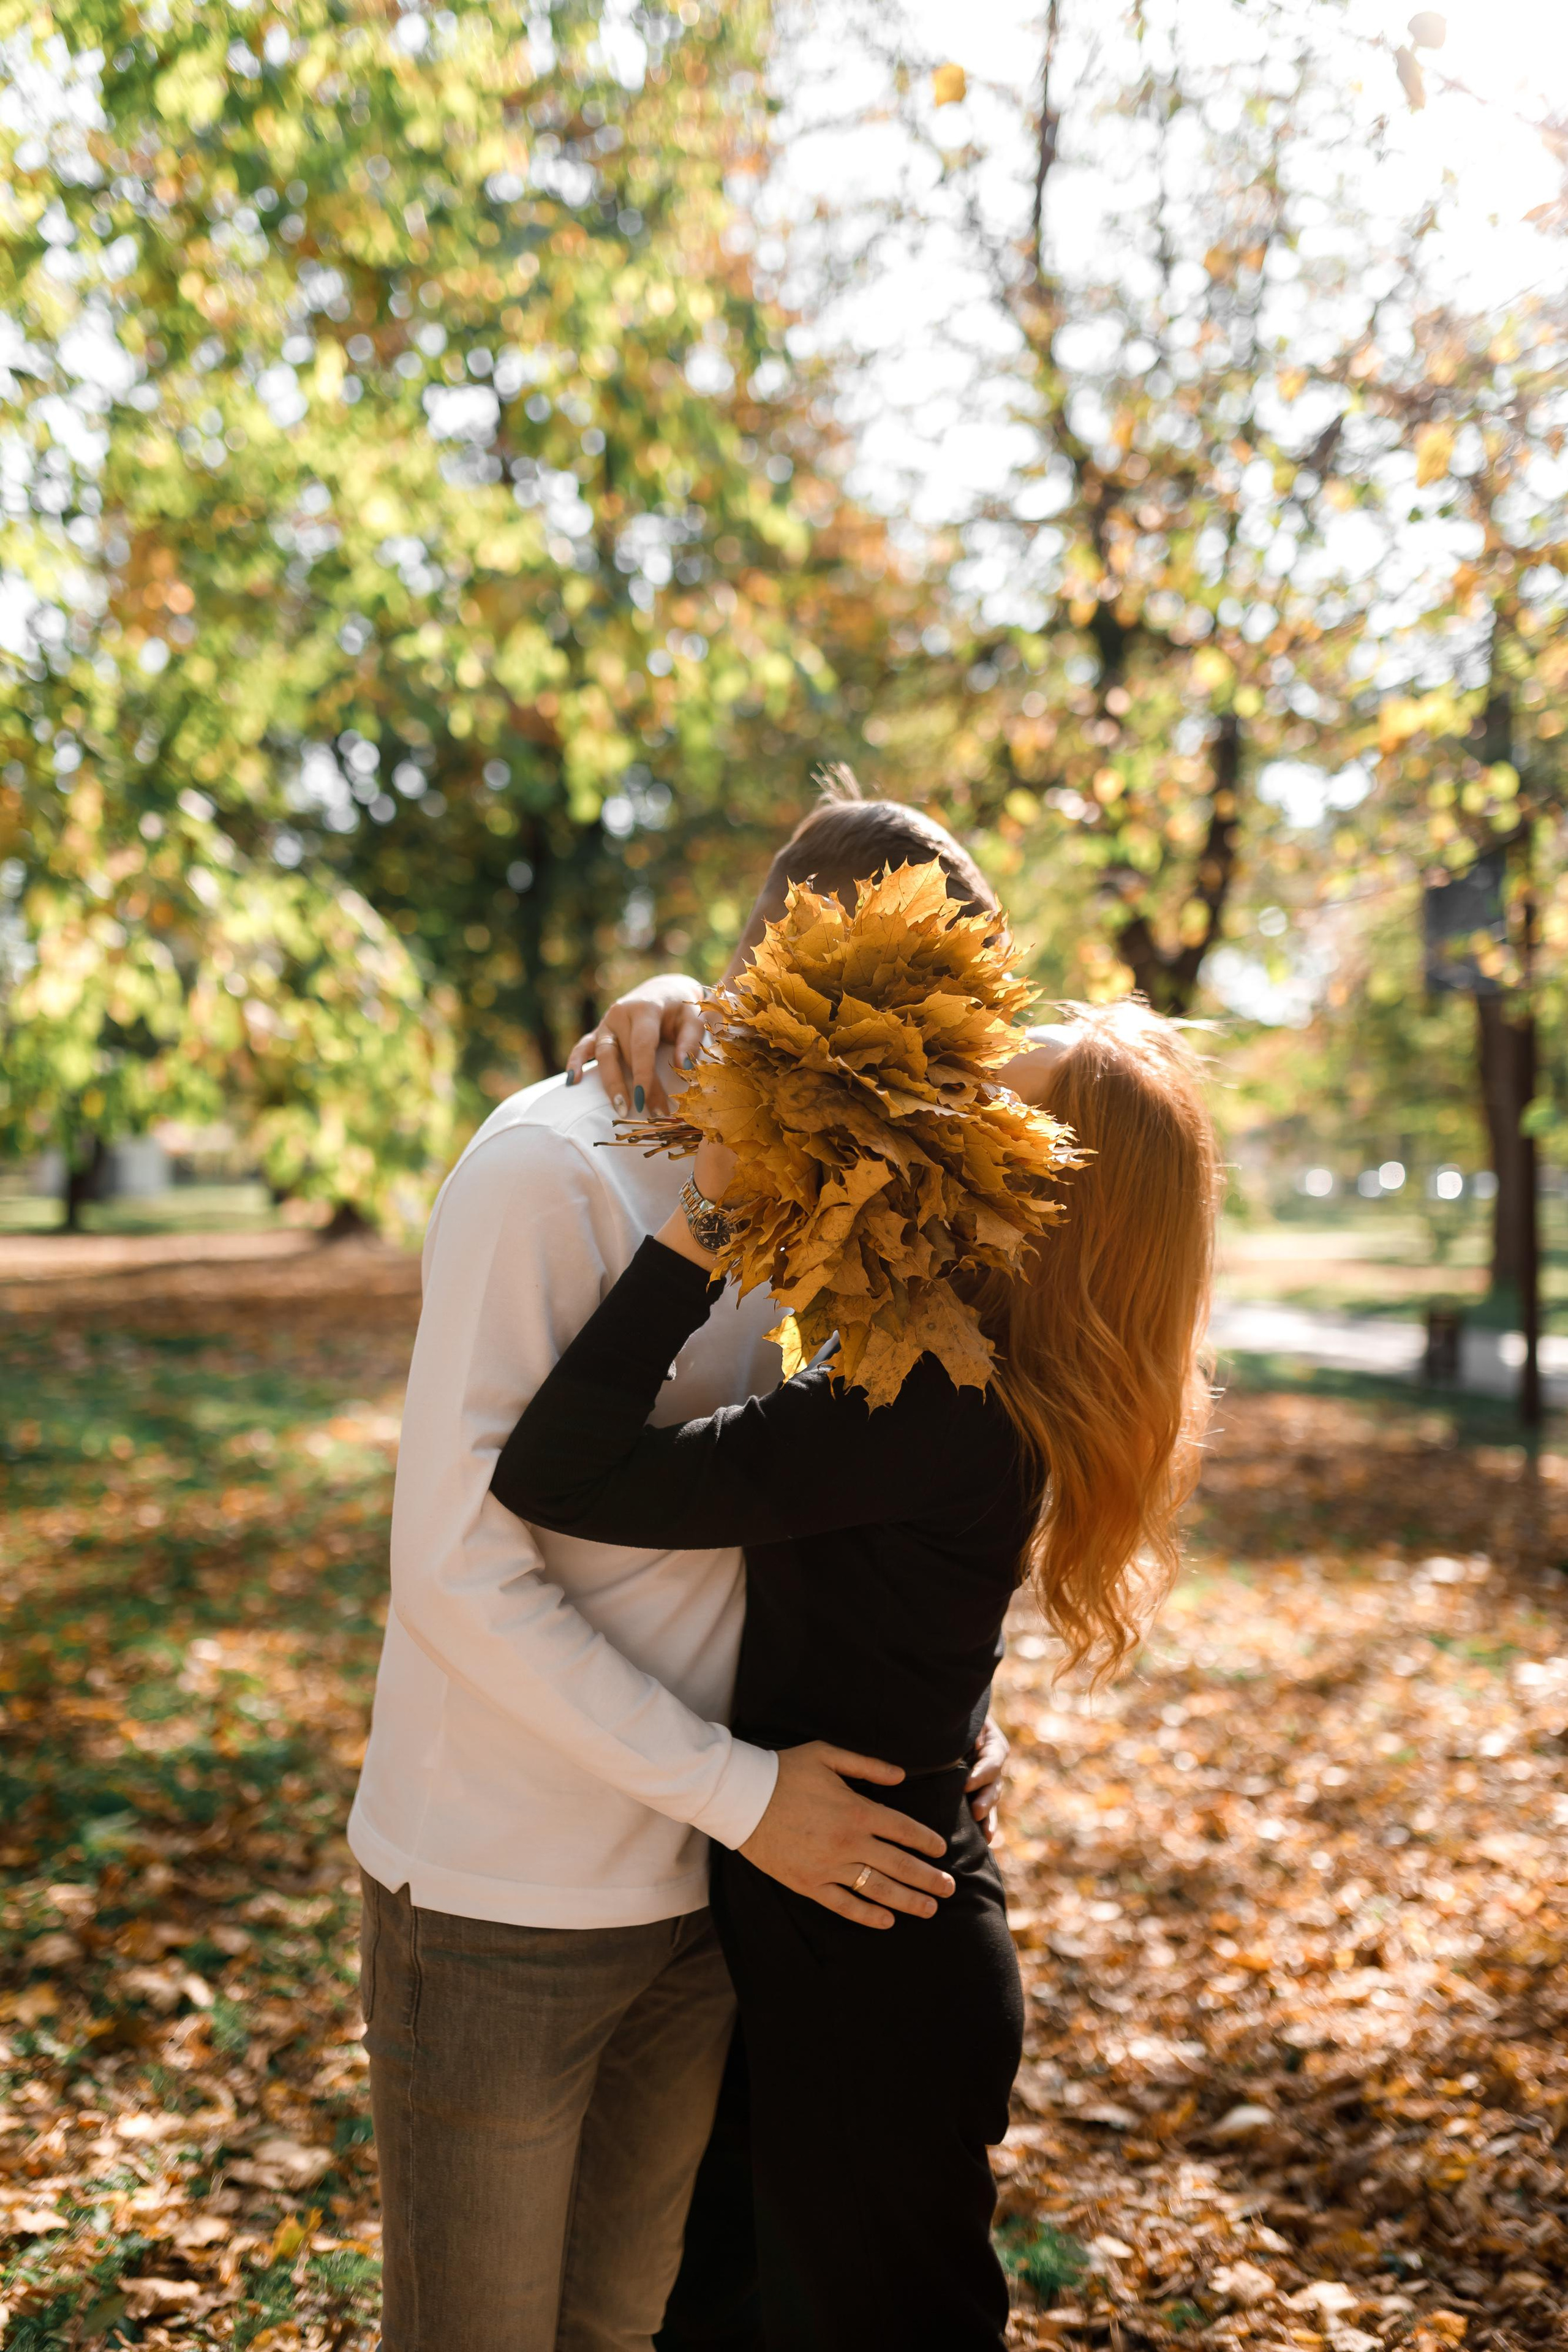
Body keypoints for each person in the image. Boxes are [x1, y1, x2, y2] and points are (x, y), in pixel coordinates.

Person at [348, 783, 1011, 2352]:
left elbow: (836, 1485)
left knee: (617, 2334)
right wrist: (744, 1798)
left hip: (709, 1892)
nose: (930, 1074)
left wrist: (946, 1714)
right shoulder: (549, 1172)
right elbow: (452, 1571)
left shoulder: (847, 1195)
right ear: (779, 972)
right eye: (895, 1017)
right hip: (509, 1894)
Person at [491, 992, 1223, 2351]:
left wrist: (704, 1217)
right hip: (857, 1924)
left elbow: (558, 1471)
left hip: (869, 1961)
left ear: (1050, 1205)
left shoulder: (929, 1401)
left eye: (990, 1117)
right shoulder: (972, 1376)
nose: (948, 1128)